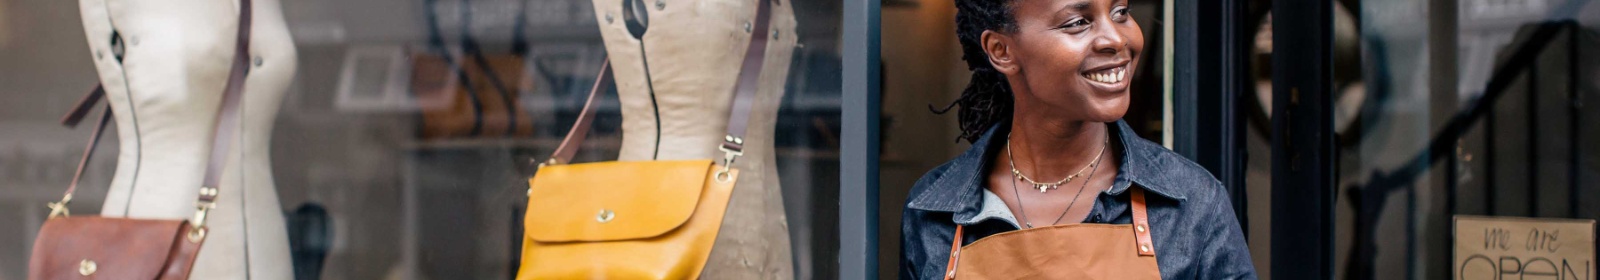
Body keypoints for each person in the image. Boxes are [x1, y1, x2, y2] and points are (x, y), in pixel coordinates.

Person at [899, 0, 1256, 278]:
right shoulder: (934, 212)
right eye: (1077, 22)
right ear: (1001, 50)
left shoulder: (1191, 203)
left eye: (1120, 12)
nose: (1117, 38)